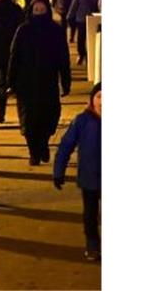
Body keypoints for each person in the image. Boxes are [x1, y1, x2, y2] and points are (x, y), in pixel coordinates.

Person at [7, 0, 72, 165]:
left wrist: (65, 81)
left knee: (48, 117)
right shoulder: (23, 30)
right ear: (31, 11)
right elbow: (14, 56)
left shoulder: (55, 30)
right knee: (29, 120)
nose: (39, 13)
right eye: (36, 10)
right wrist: (11, 80)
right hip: (26, 83)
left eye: (42, 10)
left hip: (47, 82)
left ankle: (42, 145)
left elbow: (63, 57)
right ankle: (33, 152)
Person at [53, 82, 102, 262]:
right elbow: (66, 146)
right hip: (89, 177)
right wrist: (59, 171)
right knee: (90, 215)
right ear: (92, 99)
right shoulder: (82, 121)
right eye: (99, 97)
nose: (102, 102)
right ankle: (93, 245)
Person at [67, 0, 100, 66]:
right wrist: (70, 15)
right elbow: (74, 4)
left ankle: (90, 56)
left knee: (92, 38)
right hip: (81, 18)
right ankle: (81, 54)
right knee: (81, 39)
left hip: (94, 18)